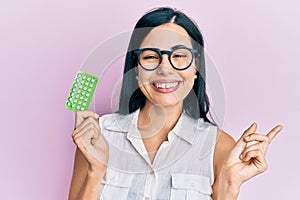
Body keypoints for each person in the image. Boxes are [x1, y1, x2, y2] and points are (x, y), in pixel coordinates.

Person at [68, 7, 282, 200]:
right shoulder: (99, 135)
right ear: (136, 67)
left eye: (179, 55)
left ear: (195, 66)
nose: (165, 69)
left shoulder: (220, 146)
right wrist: (96, 170)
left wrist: (231, 185)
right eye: (151, 56)